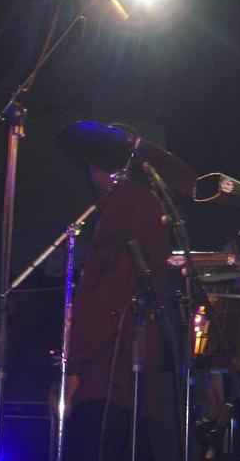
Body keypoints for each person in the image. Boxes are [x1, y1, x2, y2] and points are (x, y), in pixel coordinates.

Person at [61, 163, 176, 460]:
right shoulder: (150, 203)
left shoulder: (125, 203)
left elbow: (106, 291)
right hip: (132, 370)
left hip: (106, 371)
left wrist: (76, 365)